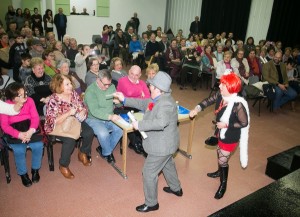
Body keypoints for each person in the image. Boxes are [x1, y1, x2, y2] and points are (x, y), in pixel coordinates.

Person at [113, 71, 183, 213]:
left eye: (151, 85)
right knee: (168, 164)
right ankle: (176, 188)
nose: (149, 86)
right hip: (166, 143)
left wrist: (140, 125)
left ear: (158, 88)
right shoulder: (157, 98)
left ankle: (152, 203)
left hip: (163, 145)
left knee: (148, 172)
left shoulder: (165, 104)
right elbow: (143, 103)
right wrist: (124, 99)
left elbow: (161, 122)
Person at [189, 72, 250, 199]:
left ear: (232, 88)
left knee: (223, 159)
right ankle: (219, 172)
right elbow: (207, 101)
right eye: (221, 83)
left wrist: (227, 125)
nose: (220, 86)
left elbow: (244, 123)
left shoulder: (238, 104)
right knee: (219, 152)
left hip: (230, 136)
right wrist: (197, 109)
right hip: (219, 132)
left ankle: (223, 184)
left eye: (224, 85)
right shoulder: (220, 95)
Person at [44, 74, 93, 179]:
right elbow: (51, 121)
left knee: (89, 132)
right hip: (57, 126)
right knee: (70, 141)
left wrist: (83, 111)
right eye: (67, 84)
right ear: (59, 86)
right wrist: (69, 113)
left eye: (70, 83)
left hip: (73, 122)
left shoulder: (73, 94)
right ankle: (63, 165)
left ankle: (82, 153)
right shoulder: (53, 100)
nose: (71, 86)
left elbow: (82, 106)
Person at [0, 82, 43, 187]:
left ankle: (35, 170)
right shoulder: (5, 106)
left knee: (38, 146)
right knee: (19, 150)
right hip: (14, 130)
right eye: (20, 95)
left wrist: (30, 131)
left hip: (29, 128)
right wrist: (18, 134)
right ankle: (23, 174)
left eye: (24, 93)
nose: (24, 96)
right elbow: (4, 126)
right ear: (12, 98)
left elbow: (35, 118)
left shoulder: (30, 101)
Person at [84, 70, 122, 164]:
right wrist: (110, 117)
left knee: (120, 130)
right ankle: (107, 153)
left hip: (109, 116)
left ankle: (104, 149)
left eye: (109, 84)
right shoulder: (90, 90)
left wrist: (118, 102)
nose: (107, 87)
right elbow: (94, 111)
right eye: (105, 84)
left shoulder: (112, 87)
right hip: (93, 118)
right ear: (98, 80)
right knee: (103, 134)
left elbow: (116, 104)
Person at [116, 65, 150, 155]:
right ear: (129, 71)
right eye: (132, 73)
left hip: (138, 107)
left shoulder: (142, 83)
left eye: (136, 75)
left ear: (140, 75)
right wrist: (140, 93)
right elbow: (129, 92)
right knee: (133, 118)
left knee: (147, 116)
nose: (133, 77)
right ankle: (136, 143)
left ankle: (139, 142)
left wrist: (139, 95)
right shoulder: (122, 80)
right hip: (124, 106)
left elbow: (147, 97)